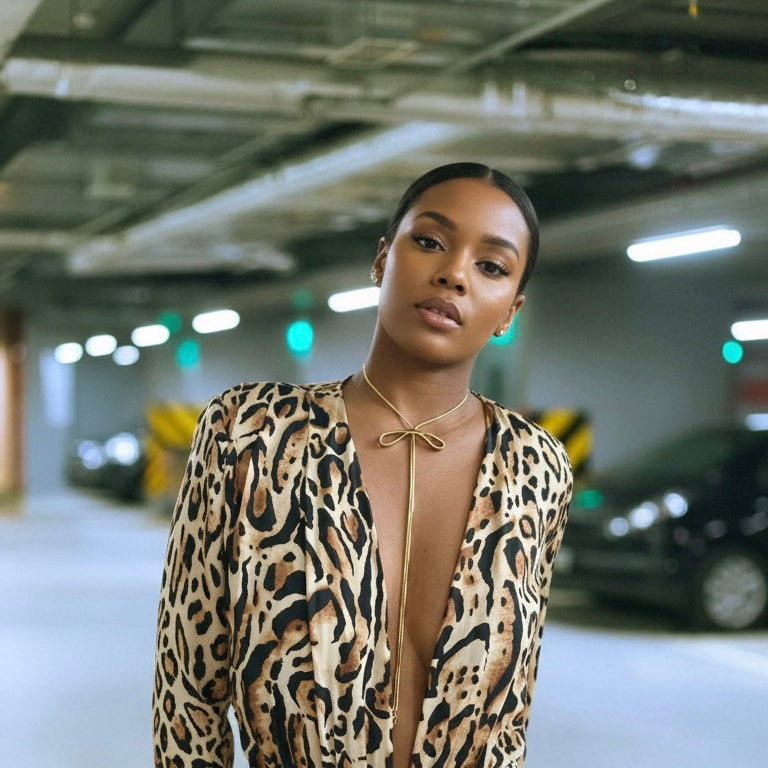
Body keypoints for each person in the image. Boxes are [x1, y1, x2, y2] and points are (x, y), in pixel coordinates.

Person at [152, 162, 572, 768]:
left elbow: (510, 714)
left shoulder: (536, 467)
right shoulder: (250, 433)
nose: (454, 273)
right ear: (382, 260)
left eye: (491, 266)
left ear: (510, 310)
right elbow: (188, 694)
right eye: (430, 241)